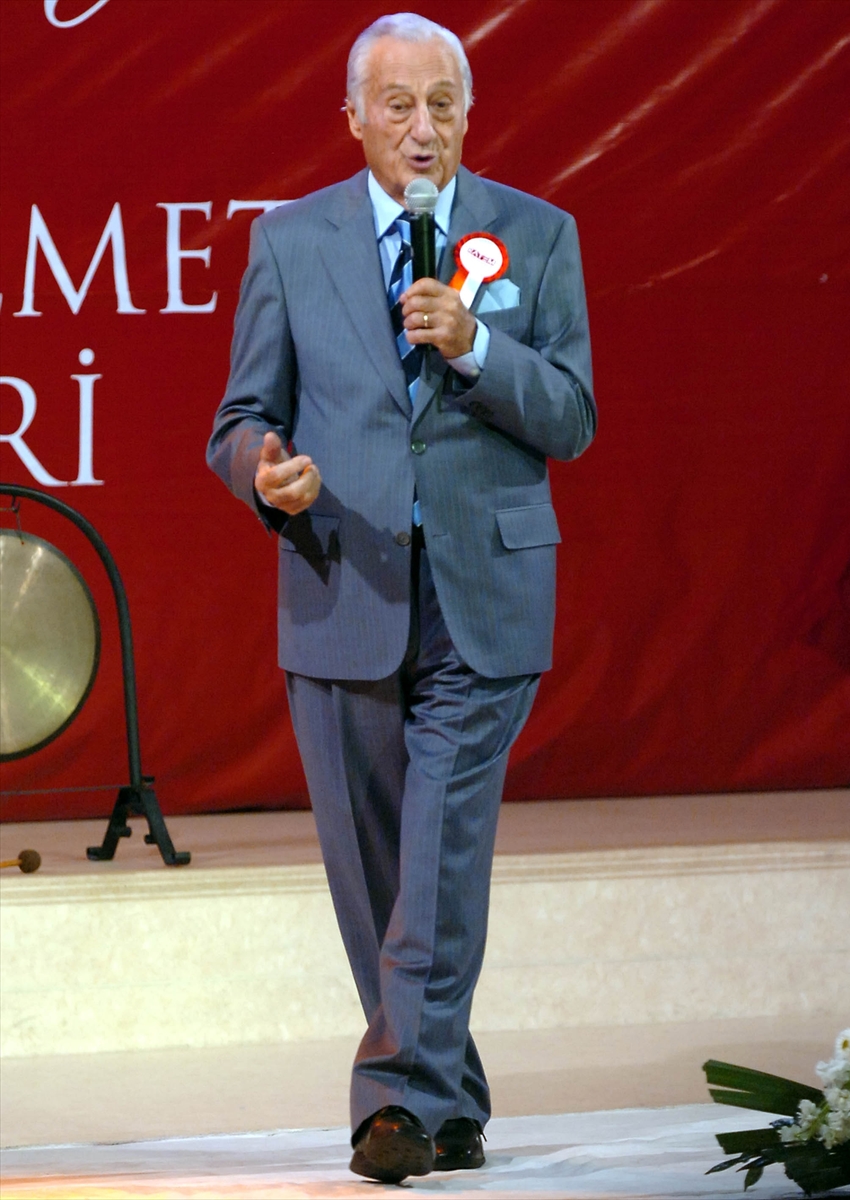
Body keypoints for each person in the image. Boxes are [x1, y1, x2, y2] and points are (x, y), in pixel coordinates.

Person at [207, 11, 595, 1185]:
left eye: (442, 105)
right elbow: (240, 419)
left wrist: (476, 345)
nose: (421, 128)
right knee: (379, 878)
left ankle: (391, 1107)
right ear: (353, 118)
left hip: (485, 593)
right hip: (343, 584)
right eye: (397, 105)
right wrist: (267, 473)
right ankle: (451, 1096)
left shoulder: (536, 233)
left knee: (435, 854)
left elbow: (571, 416)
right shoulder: (290, 241)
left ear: (468, 116)